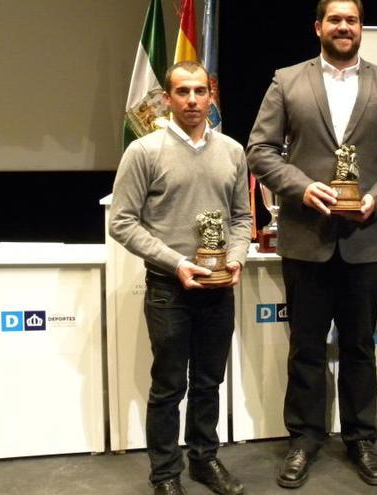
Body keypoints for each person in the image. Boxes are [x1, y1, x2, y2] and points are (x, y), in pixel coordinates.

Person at [246, 0, 377, 488]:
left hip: (364, 239)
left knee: (361, 346)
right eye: (336, 19)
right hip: (307, 239)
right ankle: (304, 439)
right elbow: (259, 150)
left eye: (353, 20)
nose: (344, 27)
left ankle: (361, 438)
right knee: (305, 347)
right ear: (318, 26)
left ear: (362, 28)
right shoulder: (287, 81)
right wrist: (301, 186)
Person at [110, 60, 250, 495]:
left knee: (210, 382)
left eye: (200, 91)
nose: (192, 100)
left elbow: (243, 218)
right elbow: (123, 222)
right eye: (182, 92)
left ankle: (204, 460)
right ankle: (165, 474)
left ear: (212, 96)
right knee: (169, 385)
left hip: (219, 287)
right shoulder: (144, 152)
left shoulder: (232, 151)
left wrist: (238, 258)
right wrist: (175, 263)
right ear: (167, 98)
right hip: (169, 288)